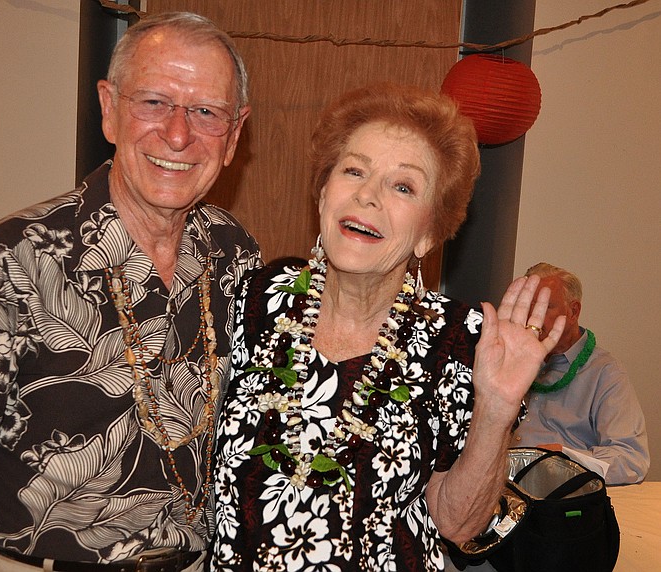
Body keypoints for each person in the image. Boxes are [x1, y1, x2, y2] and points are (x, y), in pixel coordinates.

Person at [0, 12, 261, 572]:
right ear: (109, 107)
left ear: (235, 134)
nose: (179, 134)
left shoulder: (235, 256)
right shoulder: (13, 260)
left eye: (206, 112)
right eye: (154, 102)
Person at [211, 83, 565, 571]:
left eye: (403, 186)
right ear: (322, 196)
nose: (367, 194)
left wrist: (496, 410)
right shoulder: (256, 298)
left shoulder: (459, 341)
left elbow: (458, 526)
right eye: (353, 170)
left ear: (427, 234)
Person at [512, 262, 649, 484]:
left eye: (544, 307)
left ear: (573, 311)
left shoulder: (605, 373)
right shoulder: (509, 360)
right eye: (526, 305)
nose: (531, 317)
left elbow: (632, 460)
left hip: (560, 495)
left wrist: (565, 459)